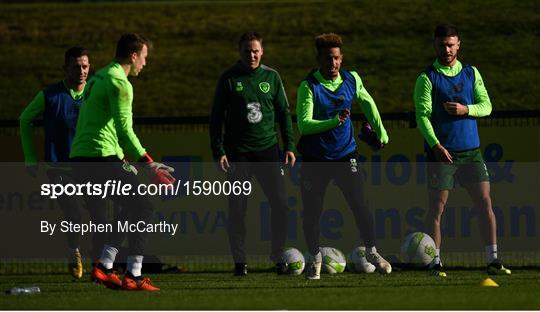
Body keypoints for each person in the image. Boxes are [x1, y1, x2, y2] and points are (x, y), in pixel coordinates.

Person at [70, 33, 175, 291]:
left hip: (82, 159)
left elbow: (99, 124)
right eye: (144, 58)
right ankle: (134, 275)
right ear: (133, 55)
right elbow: (124, 129)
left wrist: (121, 154)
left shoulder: (99, 77)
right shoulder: (120, 83)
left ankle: (105, 267)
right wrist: (148, 163)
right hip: (99, 158)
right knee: (144, 207)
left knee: (129, 208)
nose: (145, 64)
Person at [413, 24, 511, 277]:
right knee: (437, 207)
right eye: (442, 45)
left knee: (484, 203)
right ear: (435, 45)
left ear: (458, 45)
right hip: (442, 153)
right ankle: (435, 262)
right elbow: (422, 116)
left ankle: (493, 259)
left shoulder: (471, 73)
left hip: (471, 152)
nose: (447, 49)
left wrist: (466, 110)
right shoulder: (427, 78)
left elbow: (486, 105)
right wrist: (435, 145)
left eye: (451, 44)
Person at [296, 33, 391, 280]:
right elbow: (304, 125)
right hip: (315, 158)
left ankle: (371, 251)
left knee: (360, 205)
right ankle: (314, 259)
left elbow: (368, 103)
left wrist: (381, 133)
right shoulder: (309, 86)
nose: (333, 63)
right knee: (312, 212)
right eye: (328, 58)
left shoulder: (352, 79)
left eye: (337, 58)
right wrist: (333, 121)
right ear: (319, 59)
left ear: (342, 58)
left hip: (345, 155)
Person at [210, 31, 296, 276]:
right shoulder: (228, 78)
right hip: (238, 154)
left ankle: (278, 255)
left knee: (280, 205)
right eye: (247, 51)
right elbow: (216, 118)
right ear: (240, 52)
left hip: (268, 151)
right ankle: (240, 262)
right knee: (237, 209)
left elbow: (283, 114)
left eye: (255, 50)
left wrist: (289, 145)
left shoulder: (272, 76)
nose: (252, 55)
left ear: (262, 52)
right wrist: (219, 150)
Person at [19, 47, 91, 280]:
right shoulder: (49, 96)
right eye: (76, 66)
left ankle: (106, 263)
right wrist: (31, 158)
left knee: (107, 212)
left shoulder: (95, 93)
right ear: (65, 68)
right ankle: (75, 252)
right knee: (74, 213)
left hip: (91, 165)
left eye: (85, 66)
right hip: (59, 168)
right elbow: (24, 120)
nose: (81, 71)